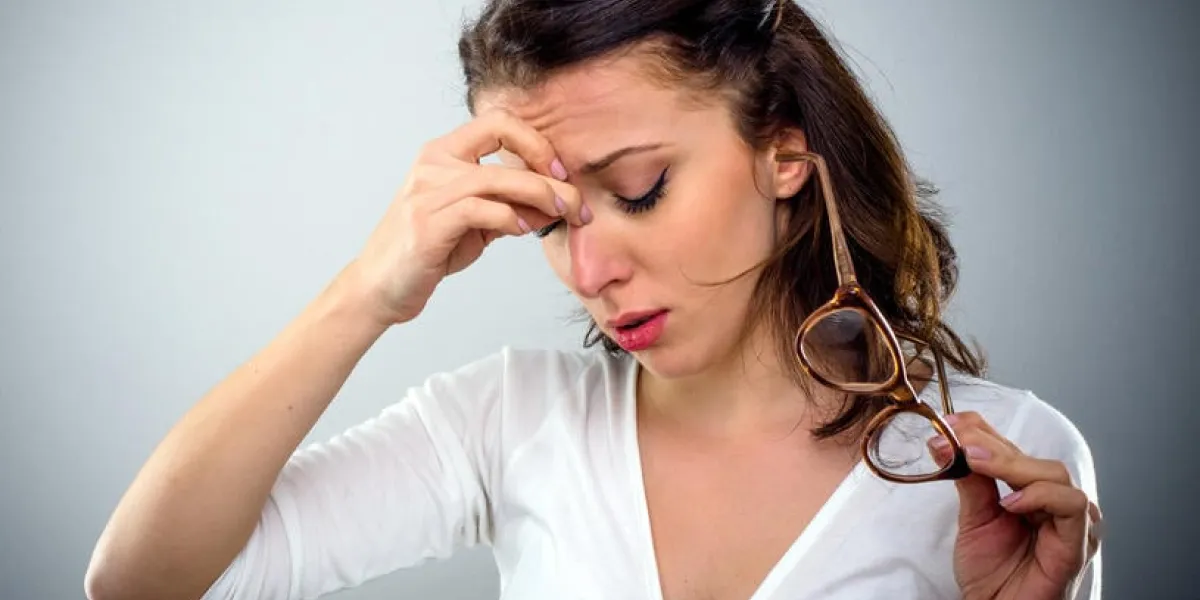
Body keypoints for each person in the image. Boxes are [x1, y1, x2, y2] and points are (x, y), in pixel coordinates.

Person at [84, 0, 1104, 598]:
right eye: (551, 220)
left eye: (638, 191)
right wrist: (370, 291)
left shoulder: (1006, 463)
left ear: (784, 147)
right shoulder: (505, 420)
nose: (588, 271)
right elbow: (140, 580)